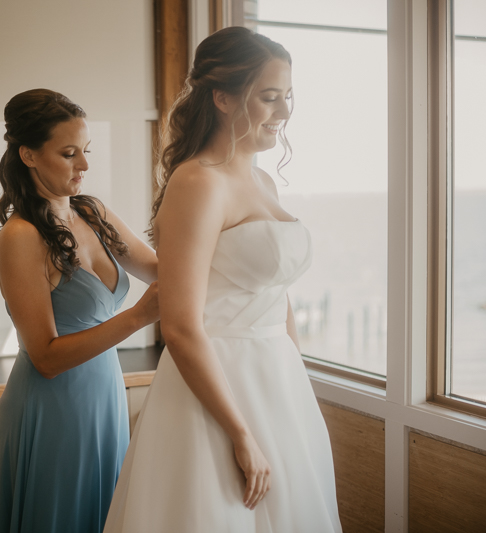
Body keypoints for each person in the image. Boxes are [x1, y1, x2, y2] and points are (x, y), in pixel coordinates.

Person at [104, 27, 342, 532]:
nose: (283, 112)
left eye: (288, 97)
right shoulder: (198, 181)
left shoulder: (262, 179)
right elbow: (183, 325)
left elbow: (278, 298)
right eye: (269, 97)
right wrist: (240, 432)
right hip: (217, 386)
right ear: (223, 97)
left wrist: (297, 385)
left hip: (278, 381)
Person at [0, 89, 159, 533]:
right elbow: (44, 356)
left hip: (105, 399)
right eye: (69, 153)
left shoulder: (93, 212)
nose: (84, 165)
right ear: (29, 155)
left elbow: (160, 271)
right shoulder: (20, 237)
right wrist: (137, 317)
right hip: (52, 410)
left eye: (86, 151)